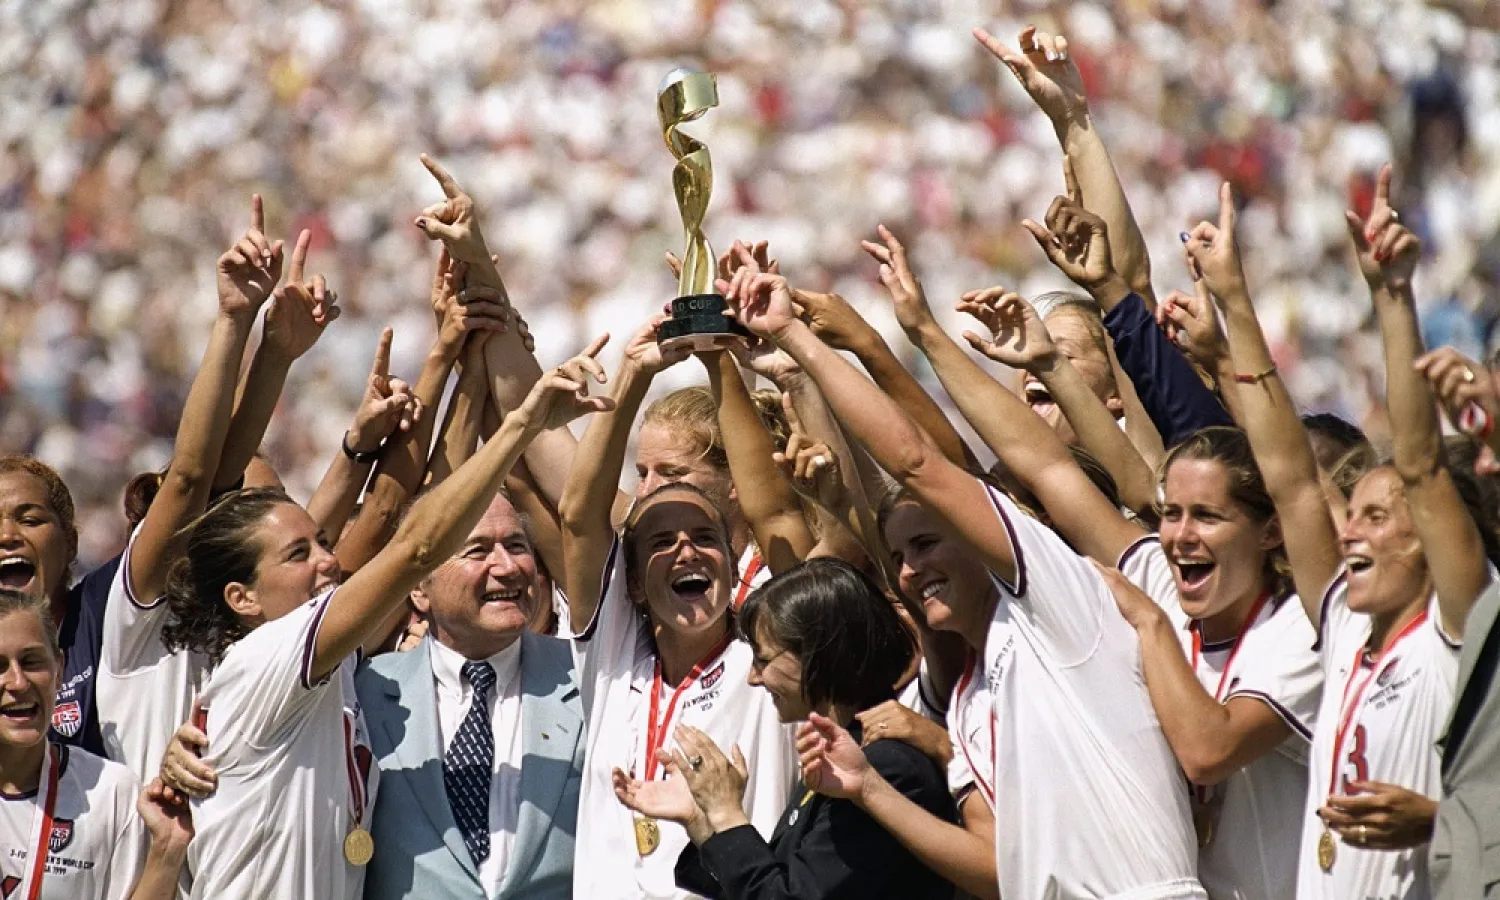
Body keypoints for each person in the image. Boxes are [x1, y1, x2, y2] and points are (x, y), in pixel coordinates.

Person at [722, 243, 1204, 897]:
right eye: (898, 559)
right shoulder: (971, 697)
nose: (910, 572)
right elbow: (996, 869)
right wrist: (867, 790)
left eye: (927, 545)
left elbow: (920, 461)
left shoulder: (1060, 603)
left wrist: (803, 341)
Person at [152, 336, 611, 900]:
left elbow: (401, 519)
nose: (329, 562)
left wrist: (455, 360)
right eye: (300, 555)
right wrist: (521, 423)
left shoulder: (341, 678)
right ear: (242, 599)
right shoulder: (264, 664)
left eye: (322, 544)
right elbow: (416, 547)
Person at [1187, 167, 1495, 900]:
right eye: (1351, 511)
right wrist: (1232, 300)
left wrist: (1392, 297)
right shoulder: (1347, 631)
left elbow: (1418, 465)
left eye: (1376, 517)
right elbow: (1290, 474)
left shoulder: (1453, 632)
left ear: (1427, 540)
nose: (1349, 529)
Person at [162, 490, 585, 900]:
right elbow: (410, 537)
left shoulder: (593, 680)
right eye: (476, 550)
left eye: (516, 544)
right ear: (418, 589)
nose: (507, 566)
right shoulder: (369, 687)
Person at [559, 325, 797, 900]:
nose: (685, 550)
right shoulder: (613, 652)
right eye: (662, 541)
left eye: (703, 536)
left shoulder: (768, 638)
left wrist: (720, 362)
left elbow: (775, 514)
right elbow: (578, 515)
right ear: (635, 585)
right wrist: (632, 376)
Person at [613, 558, 956, 899]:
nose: (753, 677)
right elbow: (777, 881)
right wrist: (703, 823)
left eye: (763, 659)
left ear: (816, 653)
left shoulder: (887, 769)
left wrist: (727, 813)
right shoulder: (844, 750)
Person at [0, 587, 191, 899]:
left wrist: (167, 850)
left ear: (59, 669)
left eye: (32, 662)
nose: (18, 682)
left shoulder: (111, 791)